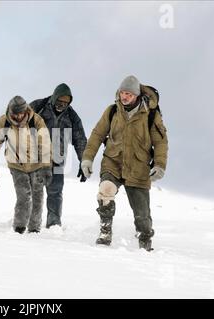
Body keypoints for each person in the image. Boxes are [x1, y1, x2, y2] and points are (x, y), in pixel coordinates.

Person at [81, 76, 168, 251]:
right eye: (122, 93)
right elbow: (97, 134)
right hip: (113, 162)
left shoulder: (151, 114)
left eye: (128, 94)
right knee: (105, 190)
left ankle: (145, 240)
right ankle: (105, 232)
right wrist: (87, 158)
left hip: (138, 168)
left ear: (136, 95)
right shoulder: (112, 111)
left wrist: (159, 165)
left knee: (142, 216)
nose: (124, 97)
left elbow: (160, 142)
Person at [30, 83, 87, 228]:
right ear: (54, 98)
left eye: (66, 103)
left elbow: (80, 139)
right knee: (32, 192)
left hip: (57, 160)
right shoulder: (38, 106)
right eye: (60, 101)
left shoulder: (72, 116)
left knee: (55, 193)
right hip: (36, 159)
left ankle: (53, 224)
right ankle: (29, 222)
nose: (62, 105)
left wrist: (84, 162)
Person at [0, 96, 52, 234]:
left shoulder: (36, 120)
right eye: (15, 114)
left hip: (36, 165)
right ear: (10, 111)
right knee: (24, 196)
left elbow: (45, 143)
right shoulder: (4, 121)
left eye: (21, 113)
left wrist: (47, 166)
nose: (19, 117)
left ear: (25, 111)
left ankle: (34, 228)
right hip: (16, 165)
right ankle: (19, 226)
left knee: (37, 197)